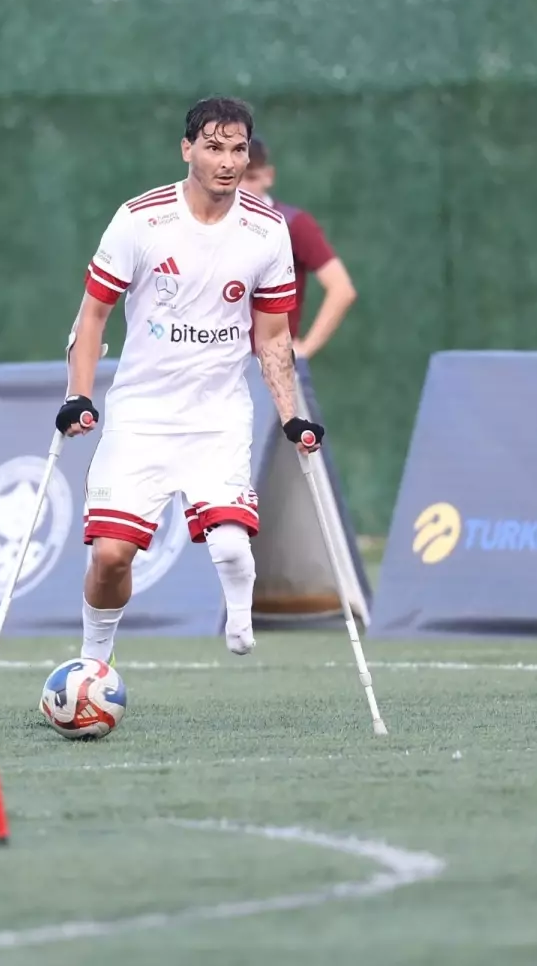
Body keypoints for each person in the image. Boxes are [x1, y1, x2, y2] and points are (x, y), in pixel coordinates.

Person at [59, 96, 323, 663]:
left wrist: (292, 414)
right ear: (187, 149)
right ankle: (93, 662)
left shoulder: (267, 231)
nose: (227, 162)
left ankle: (239, 612)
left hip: (218, 415)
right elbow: (93, 315)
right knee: (109, 556)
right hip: (141, 418)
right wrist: (78, 396)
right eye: (213, 147)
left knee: (230, 544)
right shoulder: (140, 219)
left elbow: (273, 337)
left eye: (237, 149)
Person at [242, 136, 357, 360]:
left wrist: (305, 349)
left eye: (251, 177)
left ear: (268, 176)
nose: (243, 187)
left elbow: (342, 289)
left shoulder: (293, 224)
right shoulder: (208, 227)